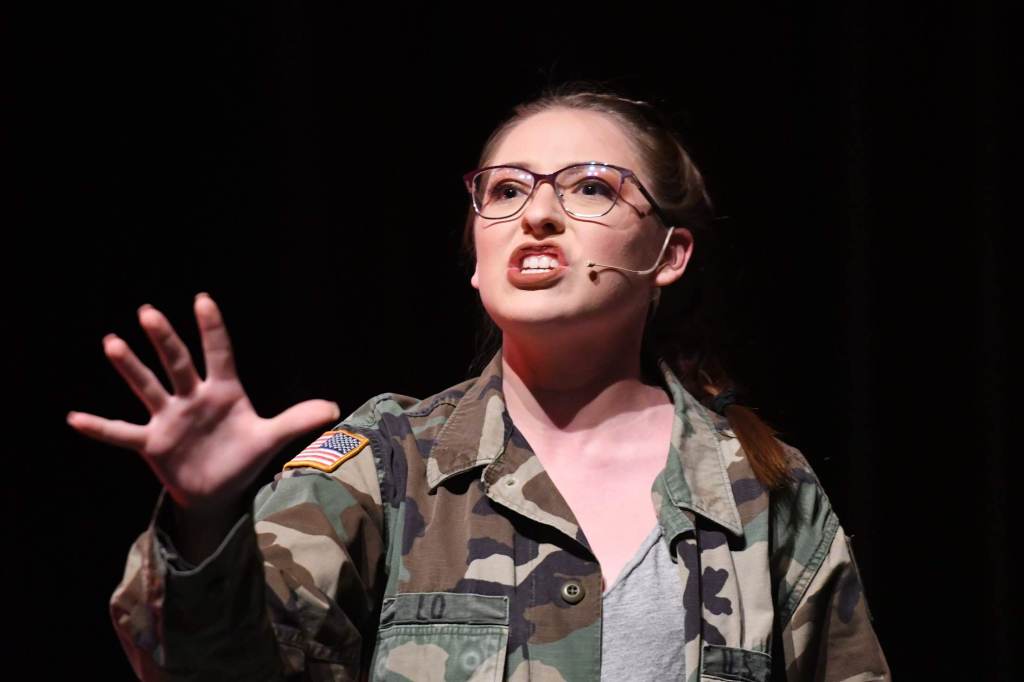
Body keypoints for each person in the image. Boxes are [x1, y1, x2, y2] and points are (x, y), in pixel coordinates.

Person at [68, 82, 890, 681]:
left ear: (669, 255)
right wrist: (207, 519)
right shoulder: (387, 464)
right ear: (476, 259)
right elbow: (216, 670)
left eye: (591, 187)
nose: (537, 215)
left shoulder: (762, 489)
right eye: (506, 191)